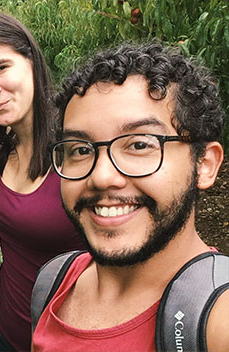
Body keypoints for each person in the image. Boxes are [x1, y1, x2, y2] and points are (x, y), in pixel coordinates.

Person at [32, 42, 227, 351]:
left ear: (204, 164)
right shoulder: (53, 284)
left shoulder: (217, 322)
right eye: (81, 150)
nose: (102, 177)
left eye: (139, 145)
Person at [0, 12, 85, 351]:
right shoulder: (0, 147)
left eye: (1, 68)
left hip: (70, 341)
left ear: (30, 60)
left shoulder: (79, 150)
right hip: (5, 333)